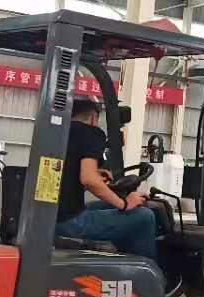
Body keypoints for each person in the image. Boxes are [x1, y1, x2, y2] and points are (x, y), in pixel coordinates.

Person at [55, 99, 158, 262]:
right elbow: (89, 179)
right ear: (93, 119)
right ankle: (148, 271)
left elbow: (71, 174)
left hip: (52, 216)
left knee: (106, 205)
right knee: (145, 216)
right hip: (70, 221)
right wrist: (125, 203)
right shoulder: (91, 133)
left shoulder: (57, 133)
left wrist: (96, 173)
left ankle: (121, 259)